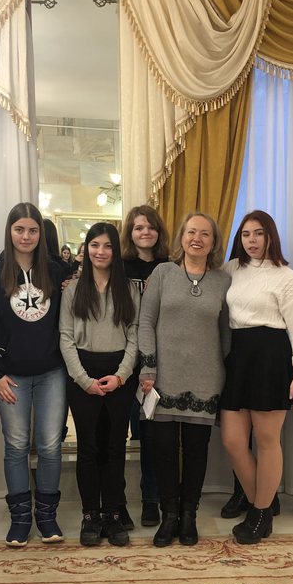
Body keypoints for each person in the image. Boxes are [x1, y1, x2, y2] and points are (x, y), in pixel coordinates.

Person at [0, 202, 67, 546]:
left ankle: (46, 517)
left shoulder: (57, 273)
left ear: (40, 234)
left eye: (32, 230)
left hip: (52, 373)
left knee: (50, 446)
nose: (26, 236)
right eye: (19, 230)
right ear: (10, 232)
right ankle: (19, 519)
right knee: (16, 446)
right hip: (9, 377)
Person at [138, 211, 230, 547]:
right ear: (181, 237)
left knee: (196, 451)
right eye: (191, 232)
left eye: (205, 234)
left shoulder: (223, 280)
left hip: (206, 378)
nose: (197, 239)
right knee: (163, 450)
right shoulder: (163, 273)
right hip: (162, 378)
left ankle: (189, 515)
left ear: (213, 242)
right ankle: (169, 515)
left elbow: (226, 334)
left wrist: (229, 374)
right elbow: (145, 322)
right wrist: (148, 367)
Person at [221, 211, 293, 544]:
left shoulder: (287, 277)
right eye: (246, 234)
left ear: (270, 236)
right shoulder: (231, 269)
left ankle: (259, 514)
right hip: (238, 357)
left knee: (267, 439)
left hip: (271, 357)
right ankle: (266, 502)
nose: (252, 240)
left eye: (258, 233)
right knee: (232, 440)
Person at [60, 223, 140, 546]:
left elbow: (135, 335)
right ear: (86, 249)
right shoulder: (72, 290)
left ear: (115, 251)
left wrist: (121, 375)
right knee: (89, 448)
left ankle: (113, 513)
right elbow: (65, 338)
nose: (100, 251)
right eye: (94, 245)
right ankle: (90, 514)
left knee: (115, 447)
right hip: (83, 372)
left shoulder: (128, 289)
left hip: (119, 373)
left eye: (107, 246)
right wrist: (84, 380)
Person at [120, 205, 170, 528]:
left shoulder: (171, 267)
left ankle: (151, 498)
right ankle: (118, 503)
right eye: (138, 228)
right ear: (130, 233)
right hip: (124, 360)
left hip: (159, 361)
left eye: (150, 227)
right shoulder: (118, 267)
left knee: (152, 435)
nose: (145, 232)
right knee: (128, 433)